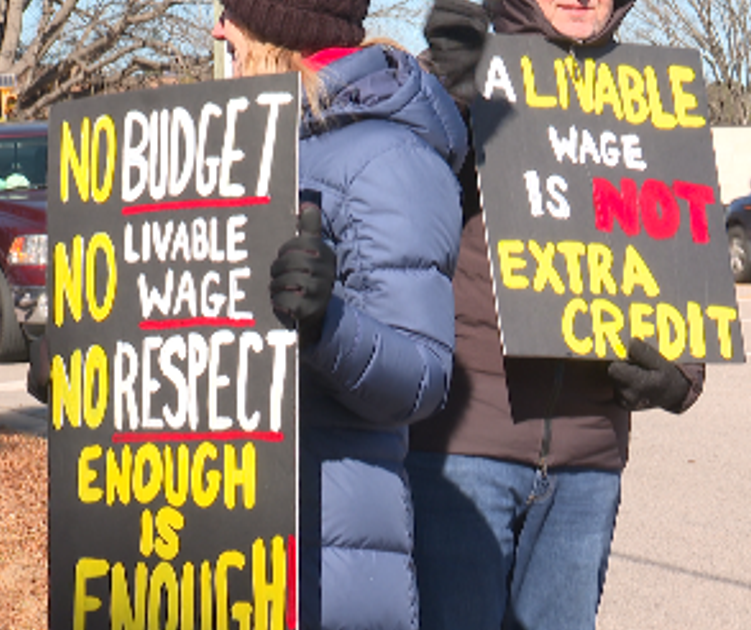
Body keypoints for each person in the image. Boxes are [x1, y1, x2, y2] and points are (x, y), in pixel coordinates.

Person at [32, 1, 467, 628]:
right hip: (205, 564)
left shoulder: (389, 158)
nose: (216, 29)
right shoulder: (211, 149)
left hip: (323, 572)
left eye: (232, 12)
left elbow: (422, 379)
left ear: (281, 26)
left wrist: (325, 326)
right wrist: (86, 362)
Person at [408, 0, 706, 628]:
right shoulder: (463, 73)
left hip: (587, 462)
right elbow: (385, 190)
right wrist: (442, 93)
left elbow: (677, 252)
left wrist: (681, 371)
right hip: (463, 453)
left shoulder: (650, 97)